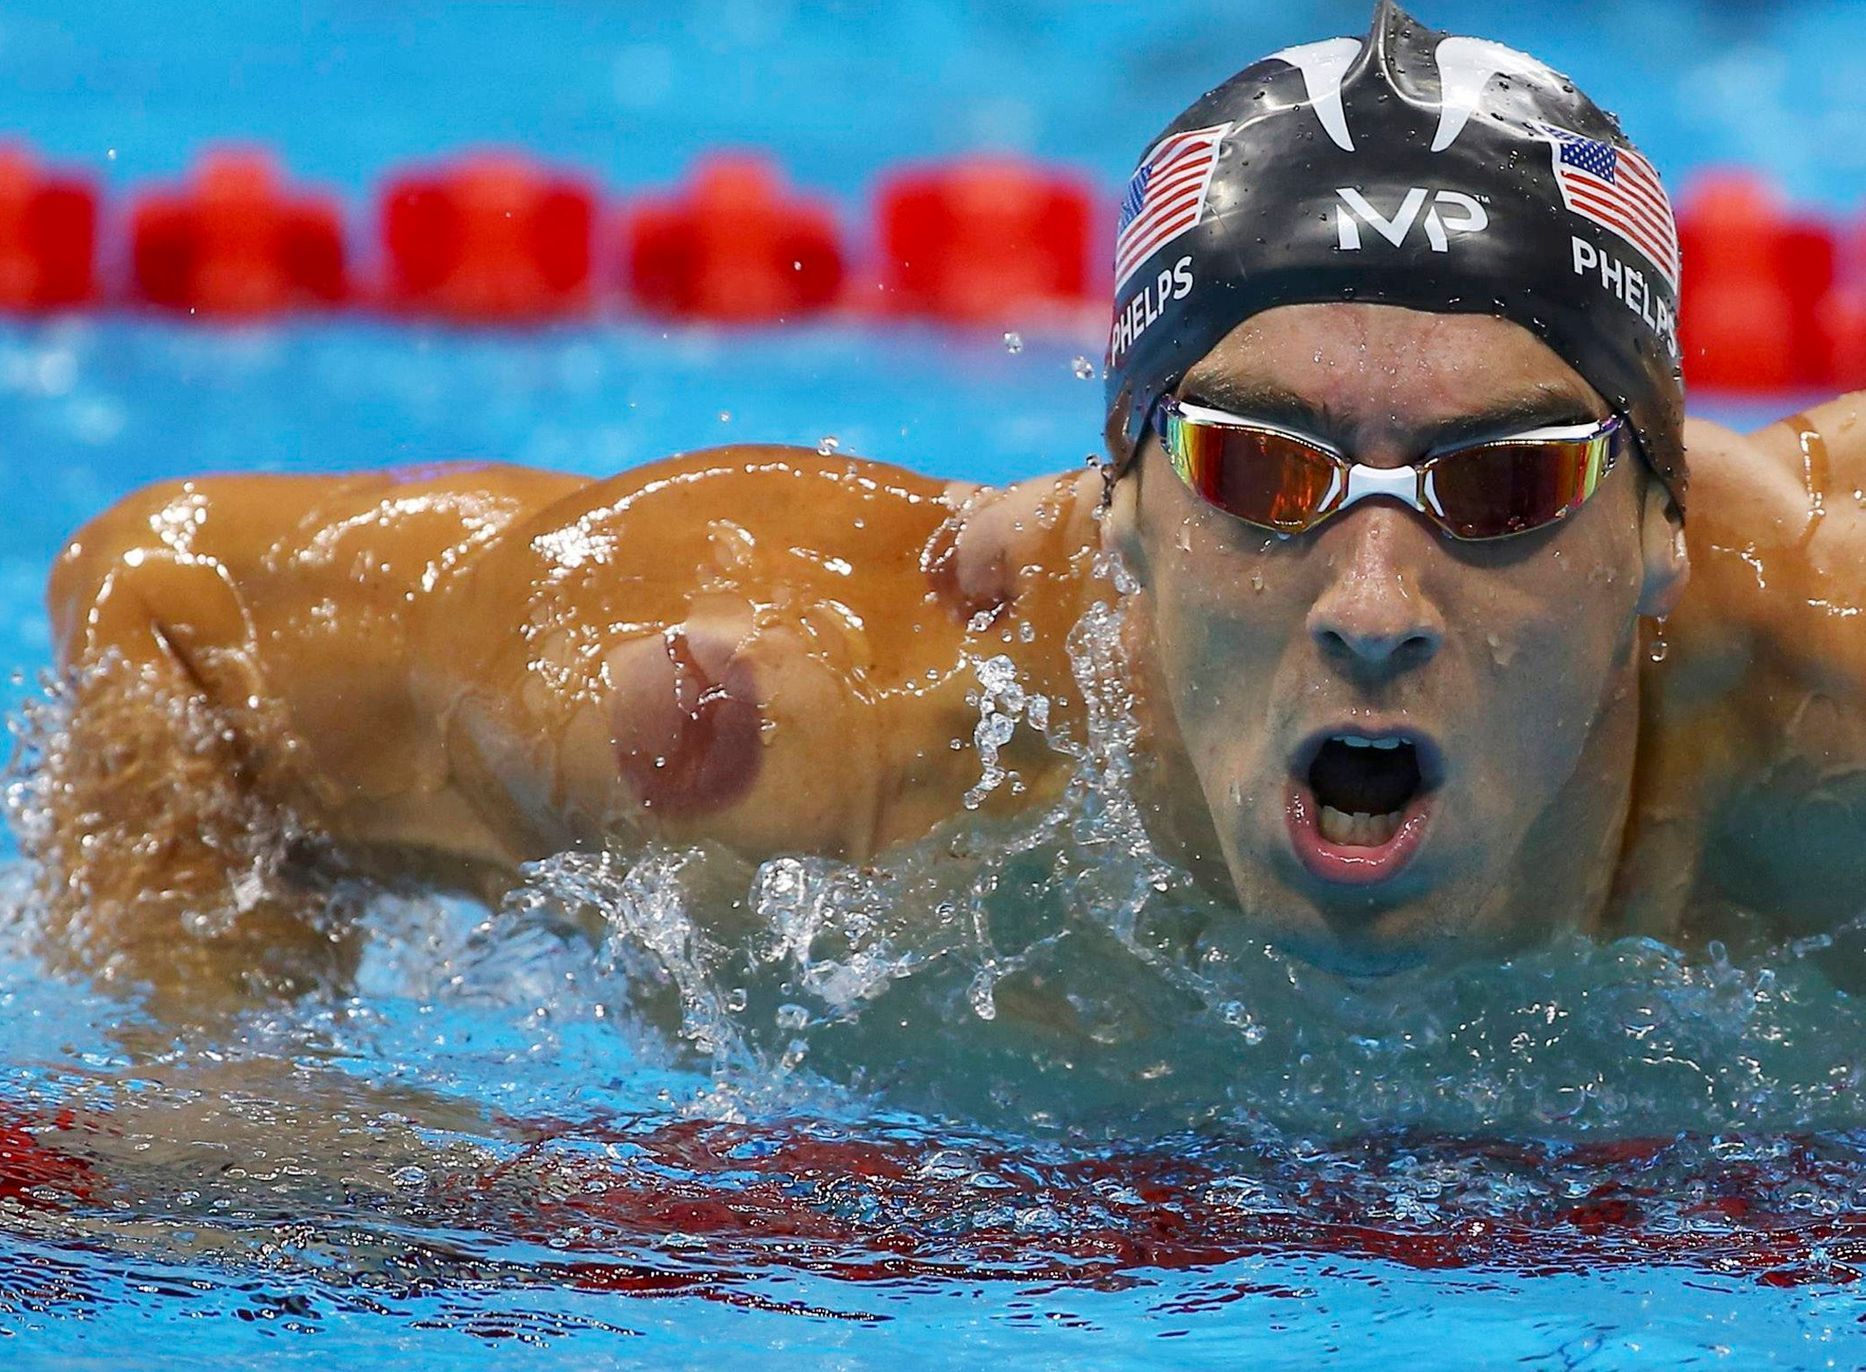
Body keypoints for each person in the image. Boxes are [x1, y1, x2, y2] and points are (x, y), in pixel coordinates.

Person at [33, 0, 1866, 1002]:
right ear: (1123, 511)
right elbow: (179, 609)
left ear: (1657, 538)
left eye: (1505, 486)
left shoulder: (1817, 689)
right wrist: (240, 1128)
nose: (1370, 595)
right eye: (1254, 470)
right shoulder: (824, 713)